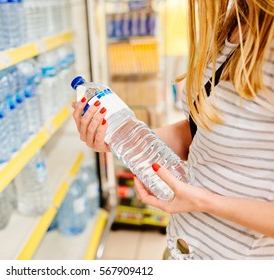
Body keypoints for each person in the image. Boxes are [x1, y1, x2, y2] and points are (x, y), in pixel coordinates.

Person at [71, 0, 274, 260]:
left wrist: (203, 201)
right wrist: (119, 137)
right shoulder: (234, 23)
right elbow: (204, 131)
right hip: (182, 249)